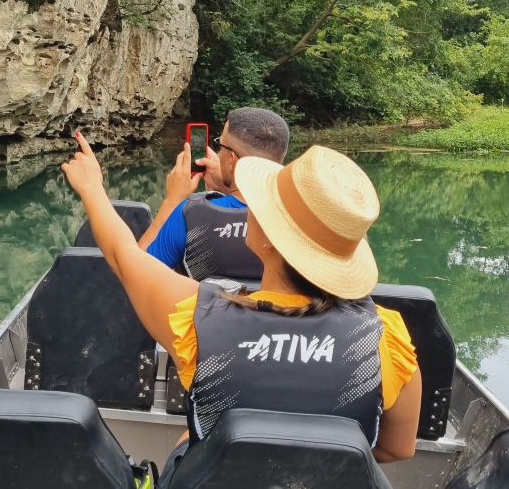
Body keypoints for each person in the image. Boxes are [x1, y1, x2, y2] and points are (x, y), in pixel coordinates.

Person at [62, 133, 421, 481]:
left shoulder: (200, 321)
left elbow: (124, 257)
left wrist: (92, 188)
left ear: (266, 239)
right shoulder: (386, 335)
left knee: (192, 439)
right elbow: (396, 448)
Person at [139, 108, 290, 282]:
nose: (218, 153)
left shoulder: (191, 215)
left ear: (232, 159)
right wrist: (230, 187)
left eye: (220, 145)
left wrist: (172, 201)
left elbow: (137, 274)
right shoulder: (299, 219)